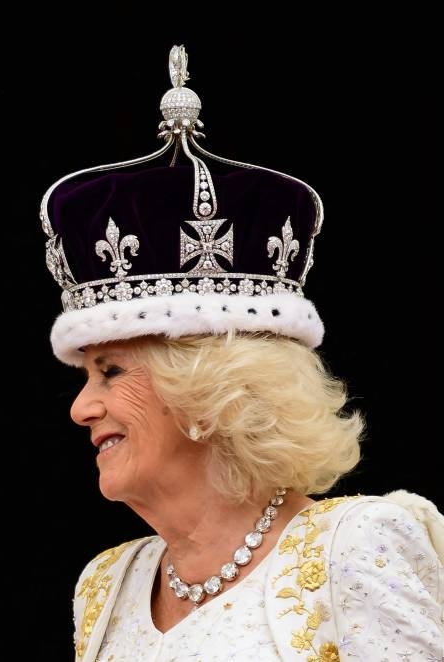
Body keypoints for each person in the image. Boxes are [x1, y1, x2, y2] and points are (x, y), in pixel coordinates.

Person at [39, 46, 444, 661]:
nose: (81, 408)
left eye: (110, 371)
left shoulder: (353, 547)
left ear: (211, 391)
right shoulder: (106, 585)